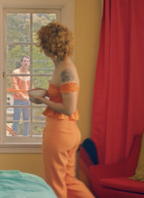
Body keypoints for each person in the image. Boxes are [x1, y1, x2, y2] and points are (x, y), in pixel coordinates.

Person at [29, 22, 94, 198]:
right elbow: (62, 98)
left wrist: (42, 100)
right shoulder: (63, 67)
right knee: (68, 182)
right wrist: (46, 96)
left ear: (49, 46)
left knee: (55, 183)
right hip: (66, 132)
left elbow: (69, 108)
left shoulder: (66, 70)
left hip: (60, 133)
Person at [11, 56, 31, 136]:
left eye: (27, 61)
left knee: (26, 120)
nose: (26, 62)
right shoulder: (15, 72)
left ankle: (25, 137)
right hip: (18, 99)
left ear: (29, 63)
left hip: (27, 100)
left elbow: (30, 87)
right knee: (16, 120)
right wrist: (22, 96)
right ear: (21, 62)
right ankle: (14, 137)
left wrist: (29, 97)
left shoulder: (29, 73)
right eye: (24, 61)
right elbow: (15, 86)